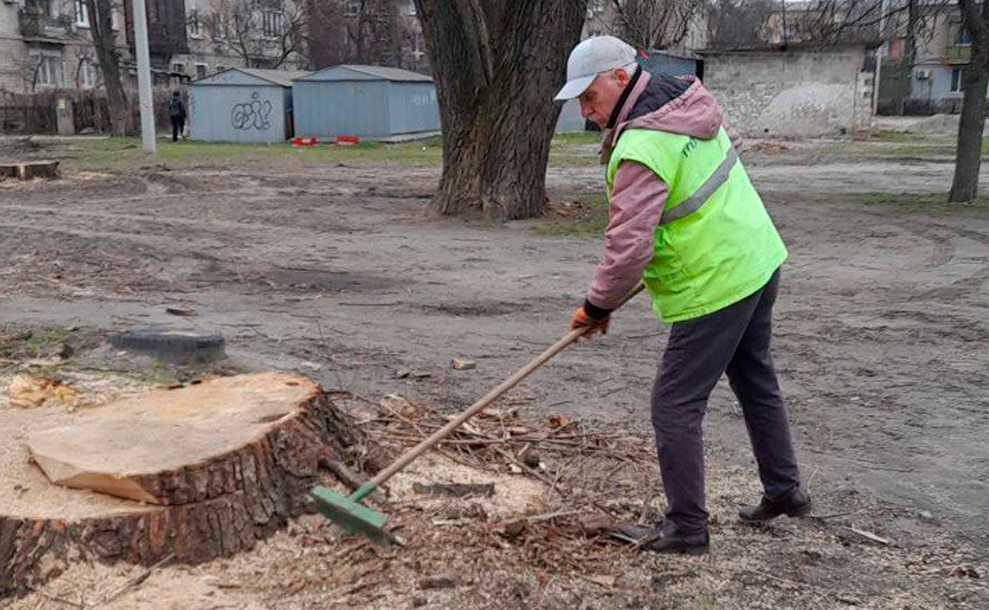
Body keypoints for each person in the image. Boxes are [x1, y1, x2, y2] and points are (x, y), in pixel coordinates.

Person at [556, 36, 810, 555]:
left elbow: (628, 248)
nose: (585, 111)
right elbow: (715, 167)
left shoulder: (642, 145)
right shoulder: (690, 103)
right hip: (756, 257)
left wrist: (597, 306)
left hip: (716, 282)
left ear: (622, 78)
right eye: (579, 101)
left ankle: (687, 529)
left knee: (674, 403)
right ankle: (784, 491)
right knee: (754, 377)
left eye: (589, 96)